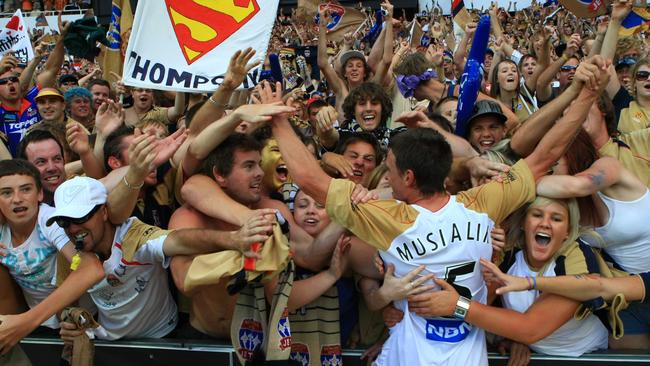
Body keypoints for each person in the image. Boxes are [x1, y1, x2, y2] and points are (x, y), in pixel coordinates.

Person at [48, 175, 274, 341]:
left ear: (104, 212)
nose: (73, 228)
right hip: (108, 345)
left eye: (81, 217)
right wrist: (70, 318)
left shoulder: (133, 236)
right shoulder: (69, 251)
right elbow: (63, 302)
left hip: (160, 341)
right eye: (64, 222)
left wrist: (234, 239)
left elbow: (179, 240)